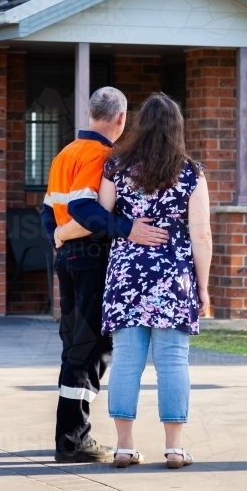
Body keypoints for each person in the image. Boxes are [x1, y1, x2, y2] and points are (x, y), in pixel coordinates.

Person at [53, 92, 212, 470]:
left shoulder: (117, 167)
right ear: (177, 129)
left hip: (126, 277)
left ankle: (124, 447)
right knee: (173, 361)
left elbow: (97, 212)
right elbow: (201, 235)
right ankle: (174, 448)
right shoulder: (191, 173)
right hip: (173, 278)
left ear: (138, 124)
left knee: (126, 361)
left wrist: (62, 231)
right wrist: (202, 288)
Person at [40, 86, 169, 464]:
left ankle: (70, 435)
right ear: (121, 118)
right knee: (91, 346)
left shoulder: (66, 153)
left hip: (67, 258)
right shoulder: (101, 154)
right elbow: (82, 208)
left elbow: (49, 211)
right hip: (92, 258)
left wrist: (57, 237)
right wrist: (128, 228)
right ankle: (73, 440)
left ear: (91, 112)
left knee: (76, 343)